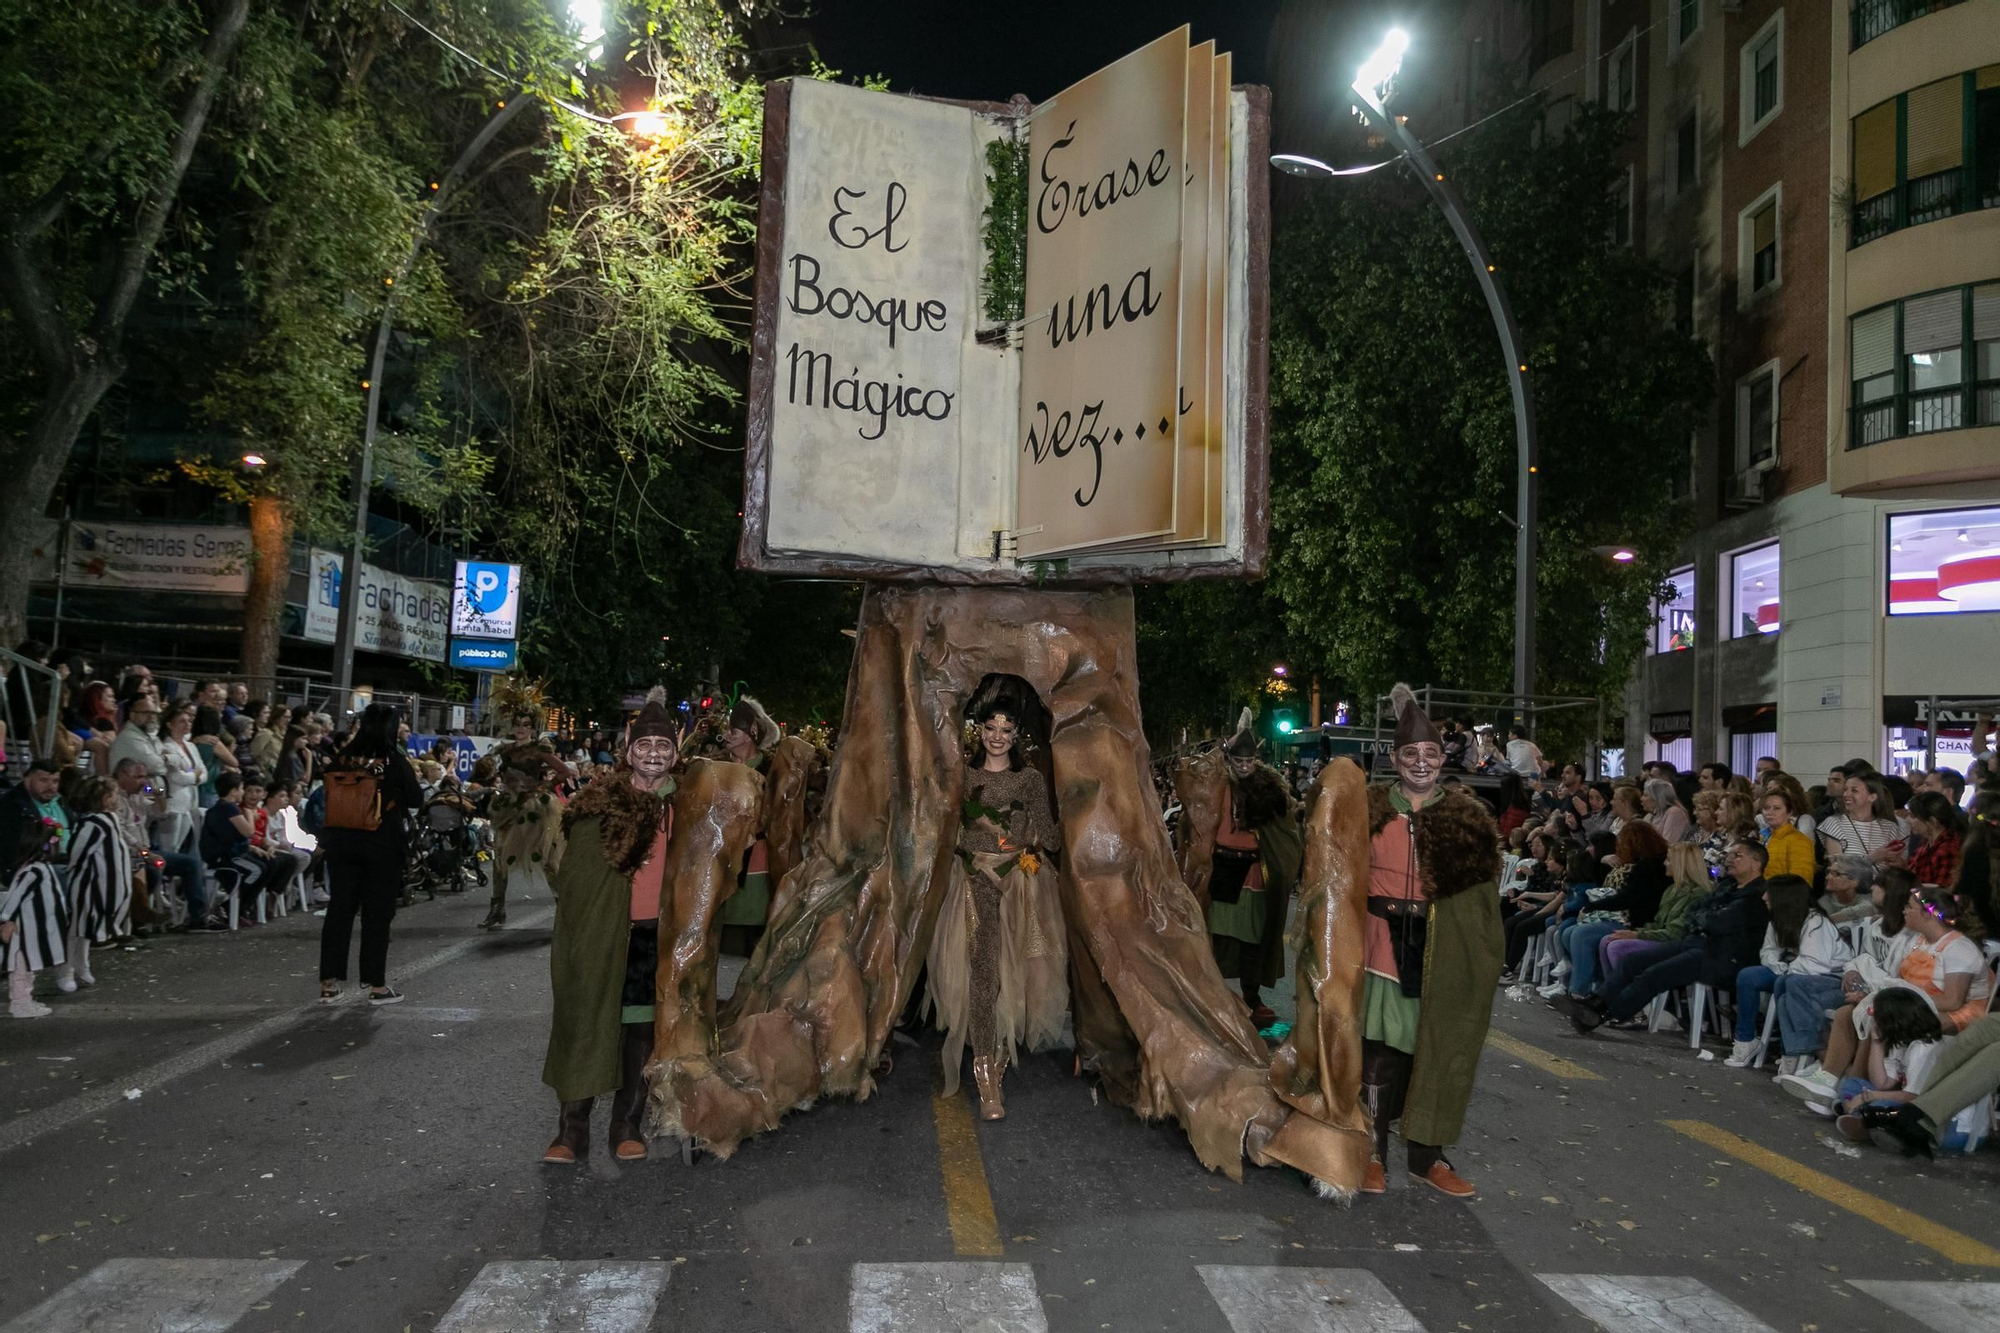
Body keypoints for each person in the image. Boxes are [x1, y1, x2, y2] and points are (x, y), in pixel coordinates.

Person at [1360, 684, 1504, 1199]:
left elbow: (1483, 904)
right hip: (1378, 946)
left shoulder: (1466, 822)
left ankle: (1427, 1156)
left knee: (1437, 1049)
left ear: (1443, 758)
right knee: (1379, 1051)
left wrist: (1481, 961)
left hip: (1442, 949)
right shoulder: (1367, 810)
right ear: (1394, 759)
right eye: (1409, 754)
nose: (1420, 763)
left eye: (1430, 754)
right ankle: (1370, 1152)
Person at [542, 689, 683, 1164]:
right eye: (645, 745)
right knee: (584, 1022)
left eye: (663, 746)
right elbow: (576, 878)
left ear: (676, 752)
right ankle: (571, 1131)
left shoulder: (687, 808)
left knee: (640, 1034)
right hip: (601, 937)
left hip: (653, 938)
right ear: (628, 750)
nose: (653, 754)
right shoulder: (600, 803)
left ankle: (627, 1126)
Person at [926, 678, 1068, 1121]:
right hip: (974, 882)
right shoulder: (963, 776)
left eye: (1007, 730)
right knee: (984, 975)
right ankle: (986, 1079)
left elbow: (1050, 835)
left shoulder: (1028, 779)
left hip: (1021, 885)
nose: (998, 736)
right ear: (980, 730)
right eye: (991, 727)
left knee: (1016, 979)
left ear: (1016, 736)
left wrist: (1042, 829)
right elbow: (946, 829)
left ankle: (998, 1059)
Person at [1561, 838, 1770, 1033]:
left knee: (1655, 974)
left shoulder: (1756, 896)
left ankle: (1604, 1014)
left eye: (1737, 856)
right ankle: (1593, 1002)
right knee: (1633, 961)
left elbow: (1716, 922)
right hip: (1697, 943)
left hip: (1723, 957)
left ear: (1756, 862)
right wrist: (1705, 918)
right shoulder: (1727, 887)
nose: (1729, 859)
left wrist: (1704, 918)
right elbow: (1696, 914)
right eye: (1730, 855)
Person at [1197, 709, 1303, 1029]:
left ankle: (1252, 997)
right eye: (1238, 761)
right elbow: (1192, 773)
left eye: (1249, 760)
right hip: (1221, 867)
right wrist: (1223, 749)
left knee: (1252, 940)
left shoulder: (1269, 787)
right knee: (1214, 935)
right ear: (1231, 760)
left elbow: (1284, 831)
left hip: (1255, 871)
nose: (1244, 766)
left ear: (1256, 758)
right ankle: (1207, 995)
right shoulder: (1215, 783)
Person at [317, 704, 423, 1004]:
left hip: (340, 842)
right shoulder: (392, 760)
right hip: (381, 844)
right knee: (377, 916)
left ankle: (328, 982)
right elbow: (416, 797)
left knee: (340, 911)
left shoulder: (342, 758)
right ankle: (376, 984)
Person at [1726, 875, 1851, 1067]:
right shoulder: (1779, 920)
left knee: (1785, 983)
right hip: (1792, 971)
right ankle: (1746, 1039)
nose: (1764, 897)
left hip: (1828, 977)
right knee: (1748, 976)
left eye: (1770, 893)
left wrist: (1787, 970)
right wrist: (1778, 966)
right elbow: (1768, 951)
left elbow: (1815, 964)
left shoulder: (1815, 921)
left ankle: (1790, 1052)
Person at [481, 700, 570, 930]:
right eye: (518, 724)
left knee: (549, 861)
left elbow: (564, 771)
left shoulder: (540, 749)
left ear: (532, 728)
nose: (521, 728)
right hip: (509, 807)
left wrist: (545, 789)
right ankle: (497, 908)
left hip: (535, 809)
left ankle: (564, 910)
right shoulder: (506, 749)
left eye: (526, 724)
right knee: (500, 856)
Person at [1559, 821, 1670, 999]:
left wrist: (1592, 906)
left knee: (1581, 934)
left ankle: (1578, 992)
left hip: (1638, 923)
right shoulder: (1646, 866)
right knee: (1569, 933)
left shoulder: (1647, 869)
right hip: (1630, 918)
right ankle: (1590, 986)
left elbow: (1625, 899)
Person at [716, 695, 784, 954]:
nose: (728, 735)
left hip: (758, 860)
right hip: (720, 856)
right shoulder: (717, 766)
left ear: (752, 732)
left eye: (733, 730)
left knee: (753, 936)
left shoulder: (773, 768)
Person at [58, 777, 133, 993]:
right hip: (87, 884)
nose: (117, 798)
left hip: (101, 884)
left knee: (87, 929)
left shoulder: (109, 820)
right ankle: (66, 970)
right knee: (76, 928)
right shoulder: (92, 824)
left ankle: (82, 965)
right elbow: (78, 853)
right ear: (105, 798)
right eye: (114, 794)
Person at [2, 812, 68, 1019]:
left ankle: (24, 1000)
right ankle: (20, 1003)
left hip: (33, 929)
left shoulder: (39, 868)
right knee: (21, 968)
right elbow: (15, 896)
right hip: (25, 930)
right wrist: (8, 920)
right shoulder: (34, 871)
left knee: (27, 967)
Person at [155, 701, 208, 854]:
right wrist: (195, 774)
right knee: (168, 846)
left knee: (178, 846)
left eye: (189, 721)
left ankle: (171, 874)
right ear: (170, 725)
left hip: (189, 802)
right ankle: (162, 873)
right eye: (181, 721)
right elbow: (177, 778)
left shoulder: (190, 746)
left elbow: (203, 771)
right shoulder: (167, 746)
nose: (187, 724)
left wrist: (195, 776)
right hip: (172, 802)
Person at [1819, 772, 1906, 863]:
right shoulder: (1833, 823)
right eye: (1845, 790)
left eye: (1854, 790)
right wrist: (1872, 858)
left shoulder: (1889, 827)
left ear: (1872, 797)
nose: (1845, 795)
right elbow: (1836, 864)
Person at [1904, 791, 1964, 887]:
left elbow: (1940, 896)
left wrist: (1911, 895)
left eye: (1913, 816)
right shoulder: (1927, 843)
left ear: (1932, 821)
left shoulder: (1948, 850)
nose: (1907, 820)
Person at [1758, 786, 1815, 883]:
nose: (1770, 812)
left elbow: (1801, 879)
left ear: (1789, 813)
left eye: (1777, 808)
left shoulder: (1799, 841)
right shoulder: (1762, 836)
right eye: (1766, 808)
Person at [1818, 854, 1879, 925]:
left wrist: (1828, 920)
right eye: (1828, 872)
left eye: (1835, 874)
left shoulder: (1869, 899)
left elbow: (1868, 908)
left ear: (1854, 882)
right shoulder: (1824, 902)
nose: (1827, 877)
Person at [1642, 778, 1689, 843]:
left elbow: (1669, 844)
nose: (1641, 799)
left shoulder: (1674, 812)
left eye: (1645, 795)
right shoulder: (1649, 816)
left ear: (1657, 797)